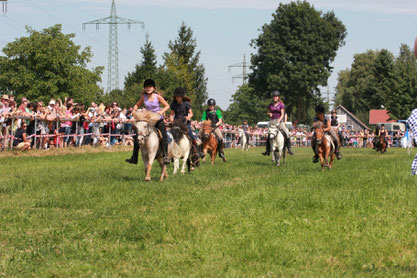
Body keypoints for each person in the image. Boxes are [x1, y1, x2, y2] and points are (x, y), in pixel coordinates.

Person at [126, 79, 171, 165]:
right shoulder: (143, 97)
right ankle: (134, 158)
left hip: (157, 119)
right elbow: (137, 105)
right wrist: (134, 111)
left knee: (164, 136)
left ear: (154, 88)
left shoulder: (158, 97)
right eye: (146, 87)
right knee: (138, 136)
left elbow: (167, 105)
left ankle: (165, 156)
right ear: (144, 88)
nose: (148, 88)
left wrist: (161, 112)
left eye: (150, 86)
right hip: (147, 120)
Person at [169, 87, 202, 155]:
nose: (177, 98)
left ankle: (197, 147)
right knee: (170, 133)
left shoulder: (186, 104)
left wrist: (188, 117)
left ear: (182, 97)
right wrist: (171, 119)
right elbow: (171, 114)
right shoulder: (173, 104)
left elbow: (191, 113)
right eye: (176, 97)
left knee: (189, 133)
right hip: (176, 122)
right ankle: (169, 151)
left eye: (179, 97)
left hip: (185, 122)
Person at [262, 90, 293, 156]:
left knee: (286, 132)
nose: (275, 97)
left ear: (278, 97)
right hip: (272, 122)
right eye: (274, 96)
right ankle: (267, 150)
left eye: (276, 96)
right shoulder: (270, 105)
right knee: (268, 135)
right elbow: (268, 112)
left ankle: (289, 149)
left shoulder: (281, 105)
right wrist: (269, 113)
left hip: (279, 121)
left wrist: (279, 120)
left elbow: (282, 114)